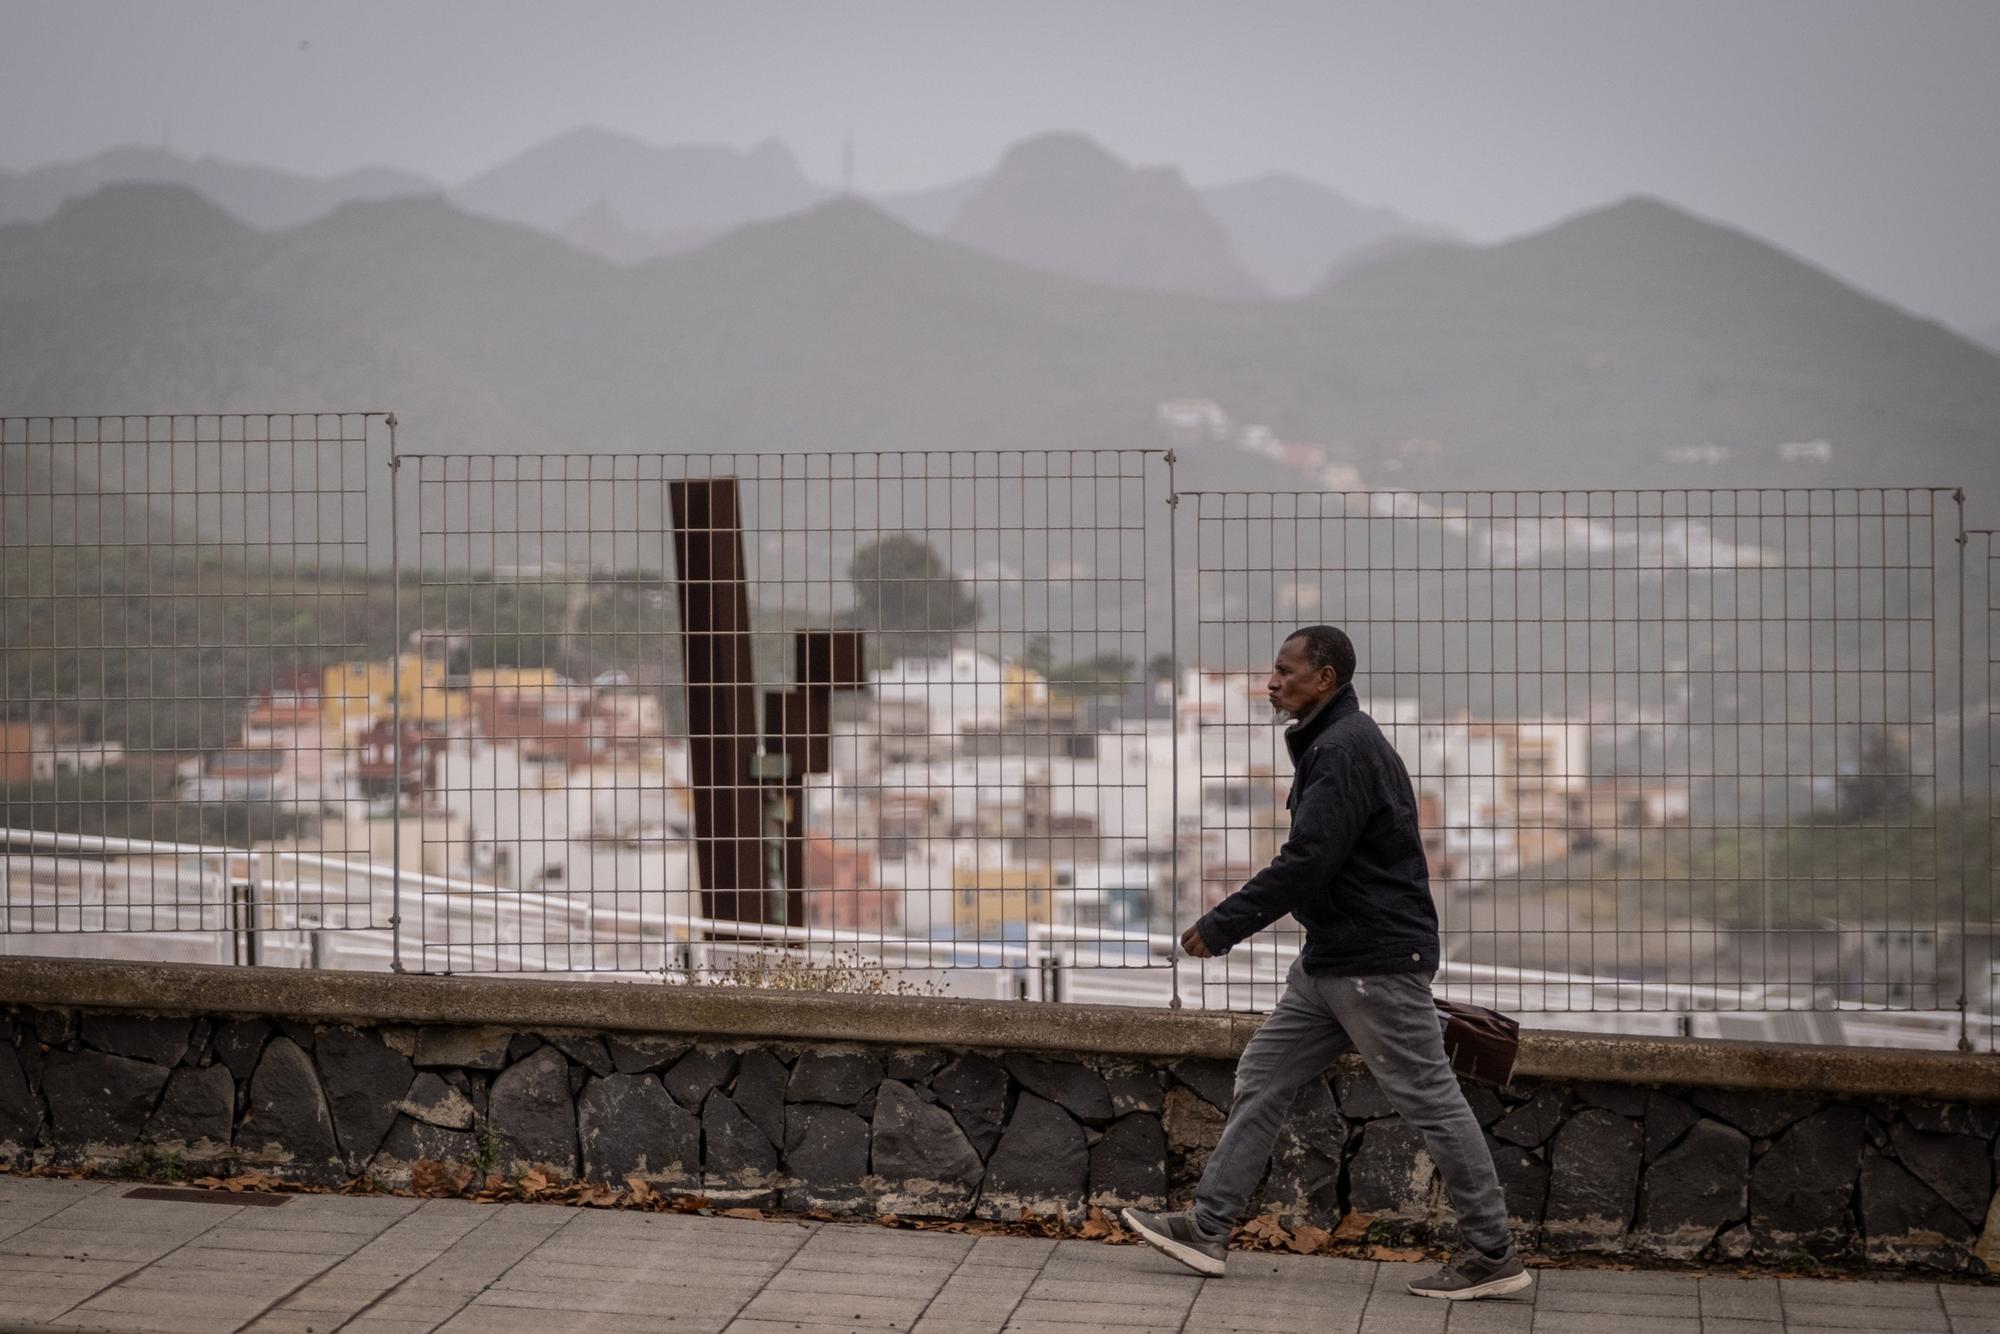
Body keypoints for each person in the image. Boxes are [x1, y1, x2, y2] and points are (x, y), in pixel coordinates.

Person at [1123, 625, 1529, 1302]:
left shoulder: (1342, 749)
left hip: (1372, 961)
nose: (1271, 682)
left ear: (1325, 679)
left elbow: (1309, 861)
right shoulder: (1333, 741)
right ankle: (1208, 1226)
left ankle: (1494, 1253)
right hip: (1334, 960)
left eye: (1285, 671)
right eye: (1272, 671)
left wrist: (1221, 926)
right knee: (1263, 1071)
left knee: (1431, 1100)